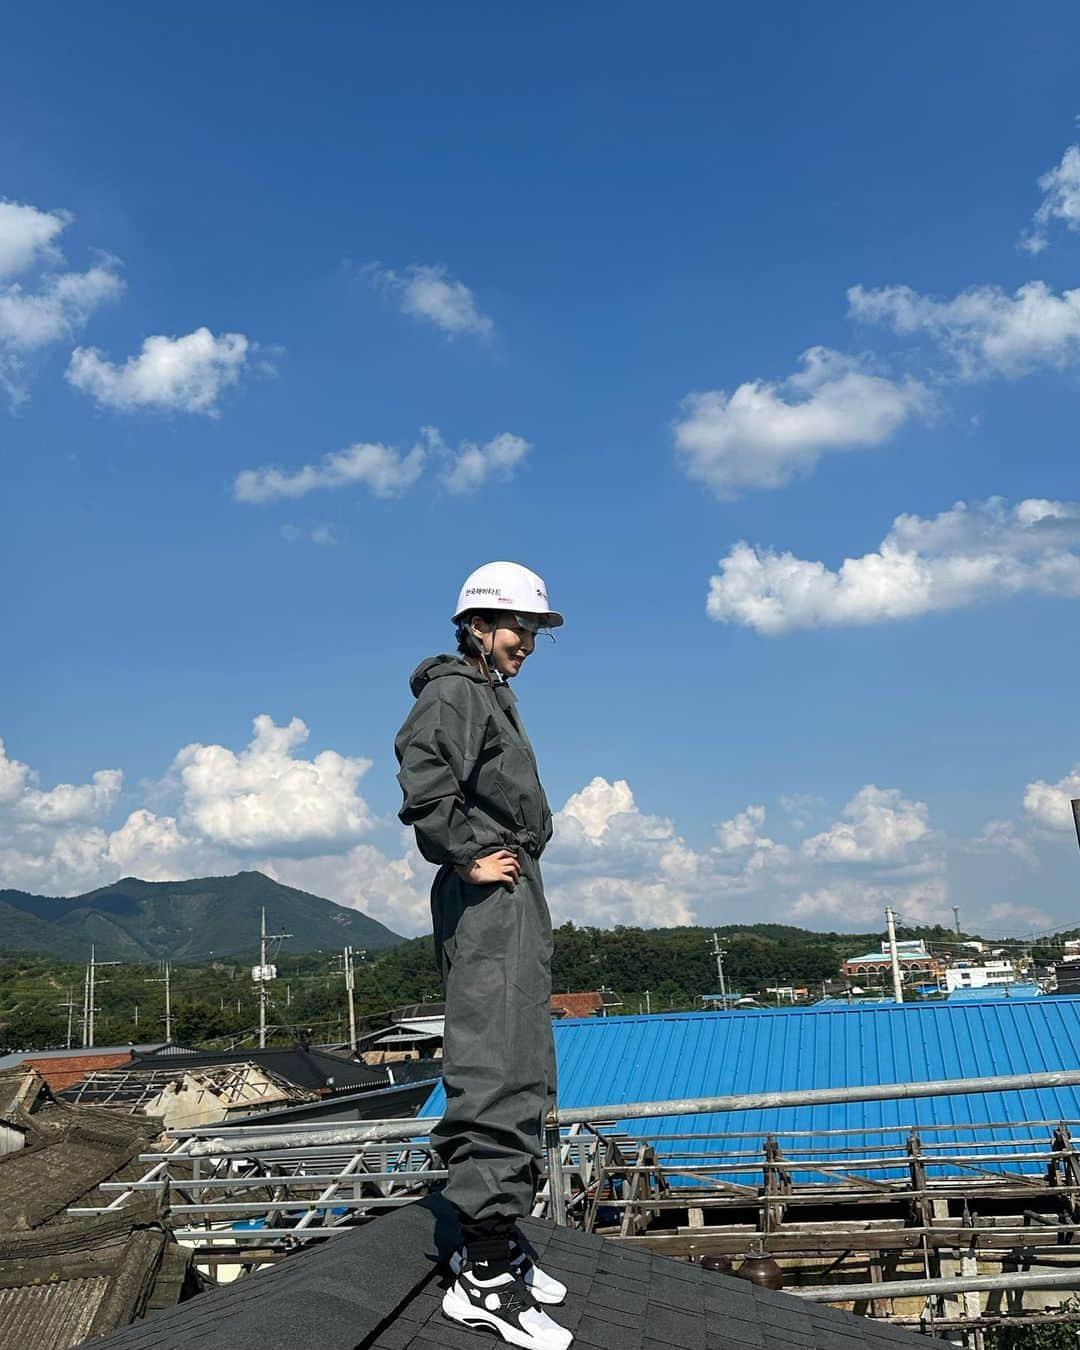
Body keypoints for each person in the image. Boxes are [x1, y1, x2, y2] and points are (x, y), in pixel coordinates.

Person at [395, 561, 573, 1350]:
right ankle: (484, 1274)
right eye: (517, 627)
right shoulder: (456, 691)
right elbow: (425, 773)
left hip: (514, 882)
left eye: (533, 630)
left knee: (524, 1052)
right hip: (489, 882)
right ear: (475, 625)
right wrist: (467, 853)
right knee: (494, 1058)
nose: (528, 642)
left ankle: (503, 1235)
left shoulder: (490, 690)